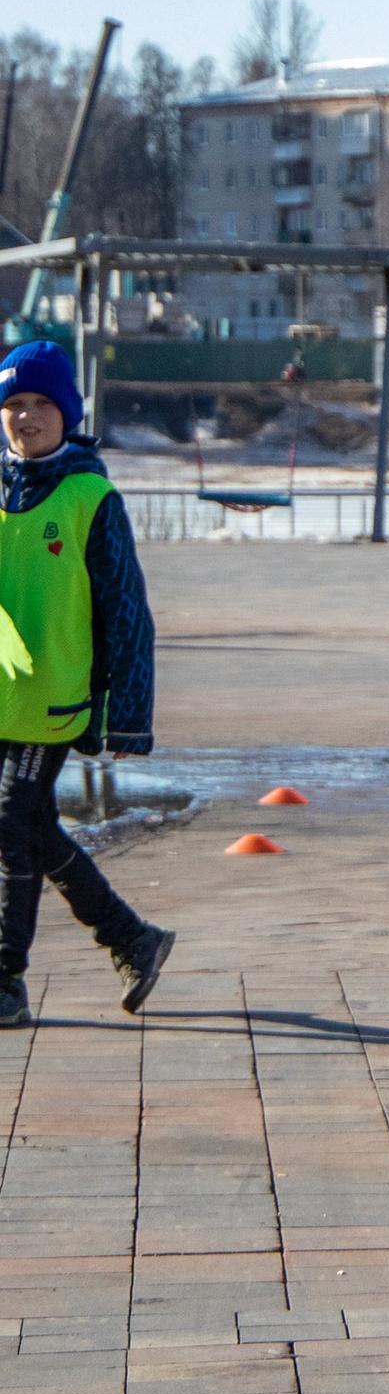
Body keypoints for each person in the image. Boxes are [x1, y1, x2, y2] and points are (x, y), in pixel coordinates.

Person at [0, 341, 173, 1030]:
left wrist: (128, 715)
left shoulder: (90, 496)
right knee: (34, 828)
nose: (26, 415)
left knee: (10, 818)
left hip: (54, 699)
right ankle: (131, 938)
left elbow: (126, 610)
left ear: (66, 413)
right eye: (13, 403)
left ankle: (5, 978)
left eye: (41, 403)